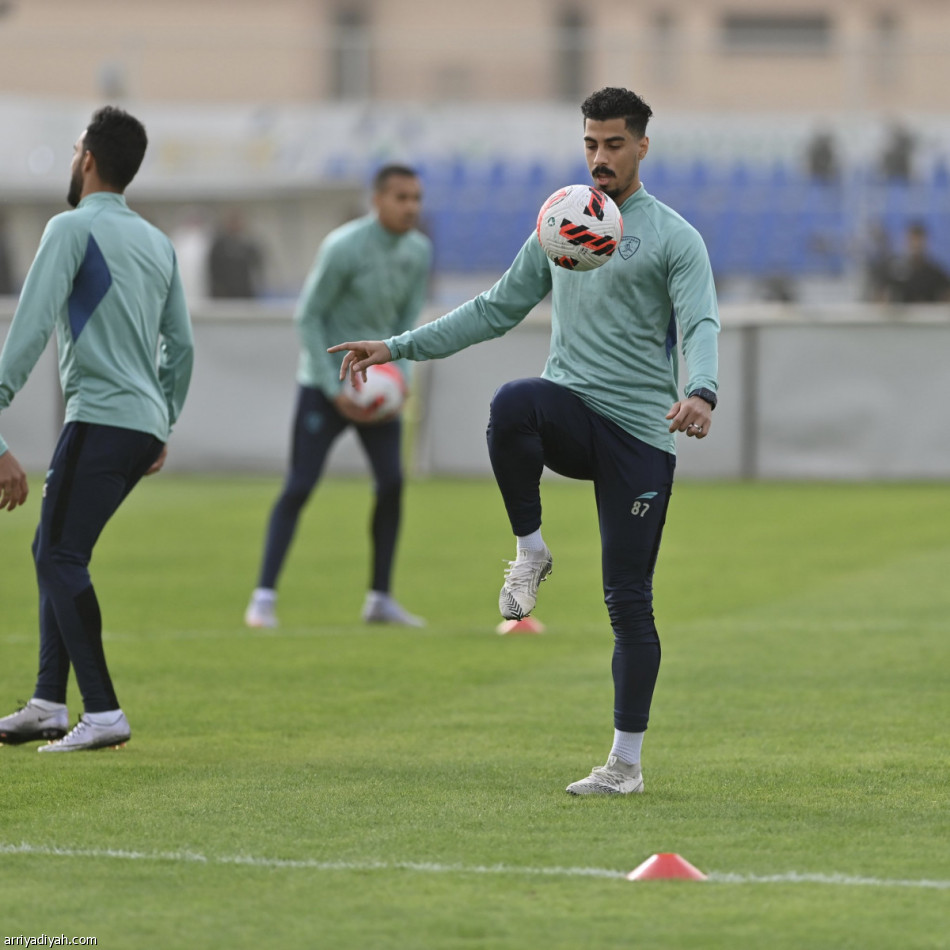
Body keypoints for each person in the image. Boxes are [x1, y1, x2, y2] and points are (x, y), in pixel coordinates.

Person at [330, 88, 720, 795]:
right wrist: (395, 346)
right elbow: (494, 309)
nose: (600, 158)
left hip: (639, 437)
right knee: (514, 404)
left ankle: (624, 766)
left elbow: (699, 324)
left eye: (613, 145)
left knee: (629, 600)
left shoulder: (673, 238)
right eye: (590, 145)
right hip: (570, 409)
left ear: (641, 147)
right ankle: (530, 551)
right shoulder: (561, 220)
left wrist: (701, 390)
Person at [0, 106, 194, 751]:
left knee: (60, 554)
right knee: (52, 551)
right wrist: (162, 422)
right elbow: (181, 348)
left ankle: (103, 711)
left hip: (102, 415)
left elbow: (27, 334)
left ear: (86, 157)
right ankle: (48, 703)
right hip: (140, 425)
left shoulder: (70, 228)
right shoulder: (156, 241)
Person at [244, 164, 432, 629]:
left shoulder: (419, 251)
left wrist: (402, 379)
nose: (411, 207)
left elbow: (408, 323)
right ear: (378, 200)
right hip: (324, 386)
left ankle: (380, 599)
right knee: (300, 485)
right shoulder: (344, 246)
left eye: (416, 198)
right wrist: (333, 389)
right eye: (401, 197)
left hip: (380, 388)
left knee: (392, 485)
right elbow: (308, 317)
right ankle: (263, 597)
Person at [887, 221, 950, 303]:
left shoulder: (935, 273)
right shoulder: (895, 272)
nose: (915, 245)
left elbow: (946, 294)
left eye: (918, 240)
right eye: (912, 240)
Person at [208, 210, 264, 299]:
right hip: (224, 295)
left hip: (245, 294)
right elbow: (213, 271)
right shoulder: (219, 246)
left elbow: (256, 266)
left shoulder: (248, 245)